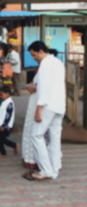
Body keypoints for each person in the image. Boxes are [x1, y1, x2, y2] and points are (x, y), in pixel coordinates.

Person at [26, 41, 65, 180]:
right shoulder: (58, 62)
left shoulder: (46, 64)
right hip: (59, 105)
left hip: (48, 104)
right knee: (55, 138)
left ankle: (46, 170)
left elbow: (44, 88)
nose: (33, 58)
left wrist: (39, 109)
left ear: (41, 51)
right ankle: (54, 169)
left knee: (36, 135)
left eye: (34, 55)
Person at [0, 85, 18, 157]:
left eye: (2, 94)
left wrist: (3, 125)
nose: (0, 96)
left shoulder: (9, 103)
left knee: (0, 138)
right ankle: (3, 153)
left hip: (5, 125)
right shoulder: (5, 102)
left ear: (7, 93)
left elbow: (8, 115)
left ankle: (14, 145)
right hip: (0, 123)